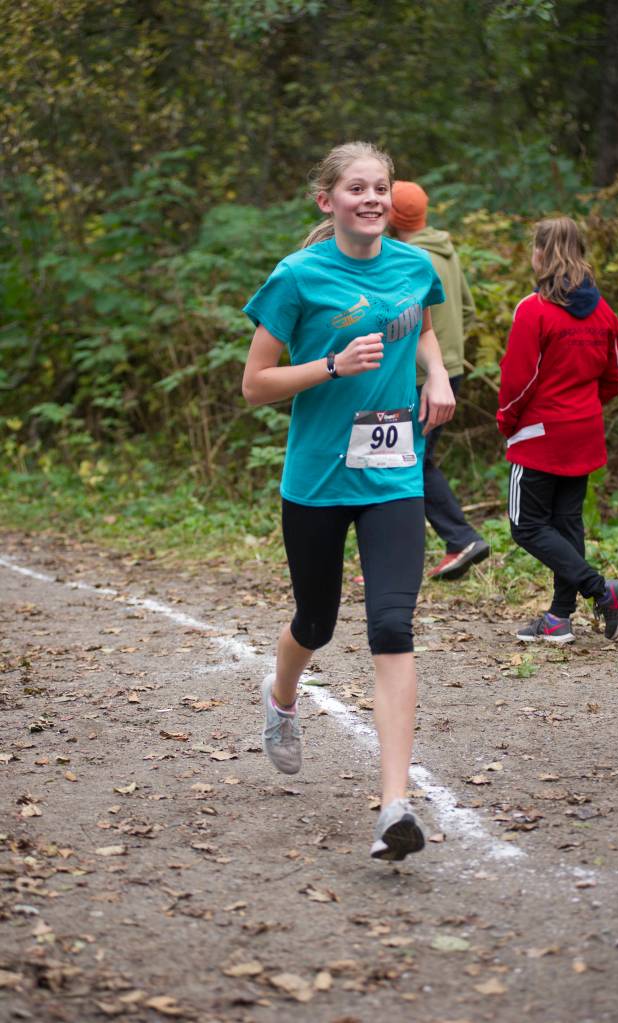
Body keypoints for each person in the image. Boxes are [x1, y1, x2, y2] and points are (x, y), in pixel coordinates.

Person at [241, 141, 455, 861]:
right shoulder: (297, 277)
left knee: (392, 624)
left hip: (394, 473)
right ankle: (280, 697)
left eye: (380, 188)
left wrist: (437, 376)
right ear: (326, 200)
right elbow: (255, 383)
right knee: (316, 619)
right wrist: (331, 365)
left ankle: (395, 803)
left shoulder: (413, 267)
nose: (371, 199)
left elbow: (422, 330)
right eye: (357, 188)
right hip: (317, 480)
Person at [497, 216, 618, 644]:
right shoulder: (604, 311)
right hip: (584, 431)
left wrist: (507, 423)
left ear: (540, 253)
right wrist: (584, 408)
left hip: (539, 434)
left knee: (526, 526)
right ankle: (558, 618)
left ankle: (601, 590)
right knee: (566, 522)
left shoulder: (533, 310)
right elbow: (617, 378)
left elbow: (518, 379)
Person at [388, 181, 489, 580]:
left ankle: (456, 540)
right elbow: (467, 309)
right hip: (452, 372)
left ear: (392, 216)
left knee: (406, 461)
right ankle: (433, 547)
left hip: (420, 377)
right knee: (413, 460)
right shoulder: (448, 252)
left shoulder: (404, 257)